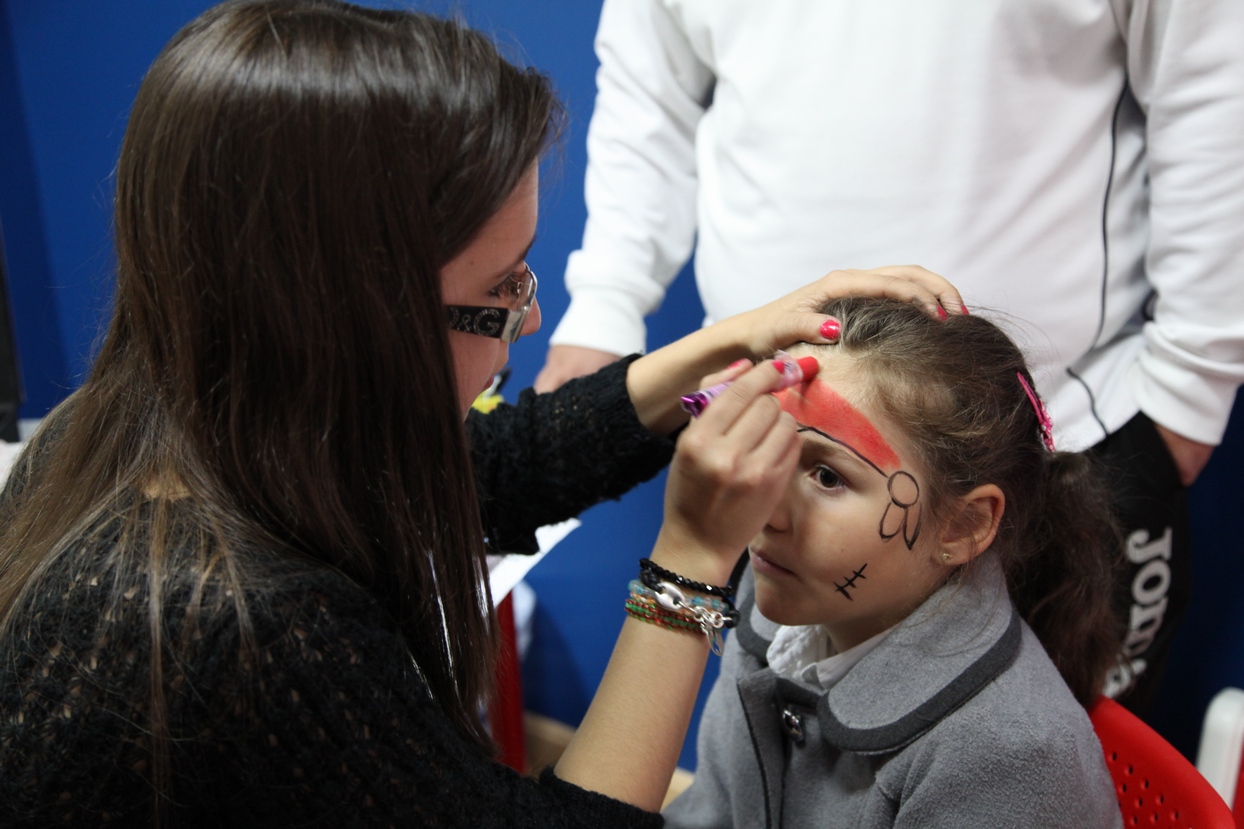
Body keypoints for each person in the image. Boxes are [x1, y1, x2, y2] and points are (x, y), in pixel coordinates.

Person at [0, 2, 964, 825]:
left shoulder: (165, 420)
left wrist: (732, 340)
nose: (533, 316)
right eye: (500, 291)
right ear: (353, 318)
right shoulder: (247, 622)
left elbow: (494, 465)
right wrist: (691, 562)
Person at [535, 0, 1244, 712]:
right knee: (776, 747)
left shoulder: (1027, 746)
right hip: (769, 435)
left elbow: (1214, 94)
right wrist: (604, 306)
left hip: (1061, 442)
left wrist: (1188, 394)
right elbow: (647, 87)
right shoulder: (760, 516)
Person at [662, 296, 1124, 829]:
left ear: (963, 526)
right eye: (772, 449)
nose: (764, 508)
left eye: (828, 477)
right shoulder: (769, 604)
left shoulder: (1012, 756)